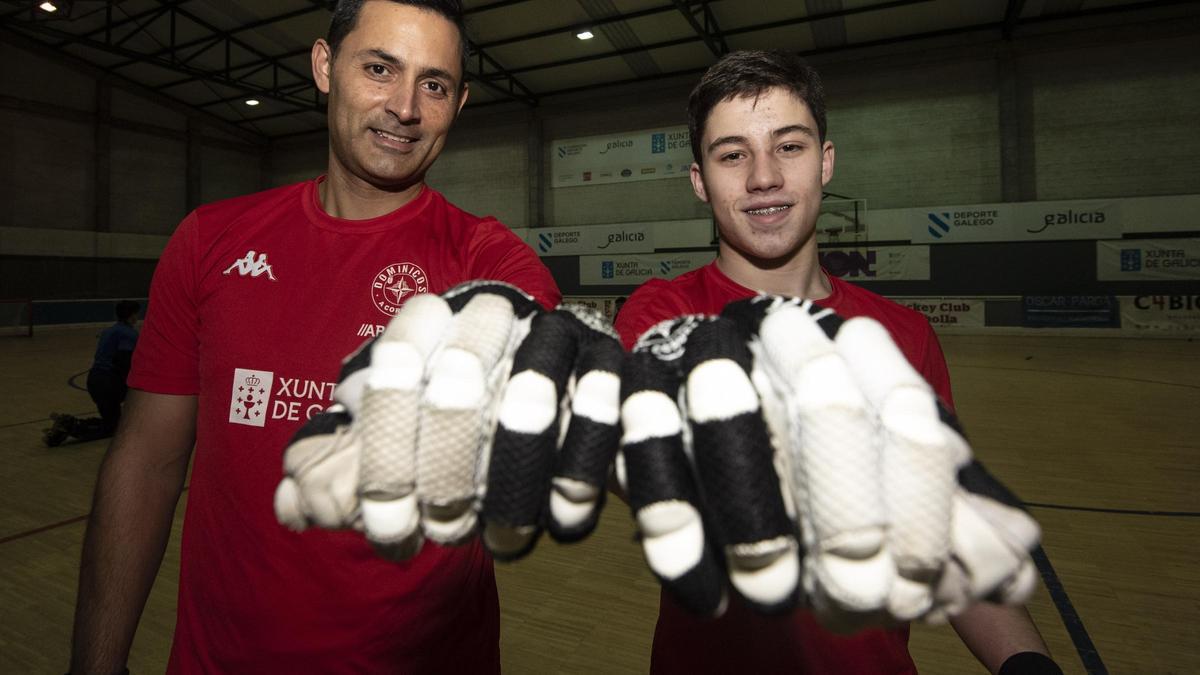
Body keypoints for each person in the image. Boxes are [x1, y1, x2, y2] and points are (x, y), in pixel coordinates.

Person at [69, 1, 558, 672]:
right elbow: (147, 461)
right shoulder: (210, 242)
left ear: (459, 102)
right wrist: (96, 661)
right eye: (380, 68)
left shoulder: (485, 257)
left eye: (435, 84)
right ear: (325, 67)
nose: (406, 107)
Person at [614, 50, 1060, 675]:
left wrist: (1025, 661)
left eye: (789, 147)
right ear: (699, 180)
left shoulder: (904, 336)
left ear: (825, 162)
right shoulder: (663, 313)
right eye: (732, 154)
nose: (763, 177)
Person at [44, 300, 140, 446]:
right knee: (112, 427)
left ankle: (73, 424)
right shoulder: (128, 334)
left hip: (95, 379)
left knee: (112, 420)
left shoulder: (109, 331)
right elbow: (123, 360)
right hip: (108, 382)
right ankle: (71, 427)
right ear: (132, 315)